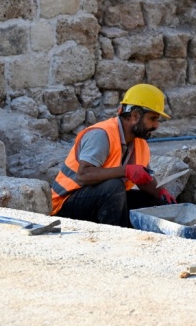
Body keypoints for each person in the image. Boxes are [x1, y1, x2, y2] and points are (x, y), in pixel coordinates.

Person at [51, 83, 177, 227]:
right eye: (153, 119)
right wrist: (126, 171)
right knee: (114, 187)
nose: (156, 126)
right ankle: (119, 238)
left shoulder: (139, 143)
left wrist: (159, 192)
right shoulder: (102, 135)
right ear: (135, 115)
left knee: (153, 203)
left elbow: (143, 179)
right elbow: (83, 175)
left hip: (97, 199)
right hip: (65, 205)